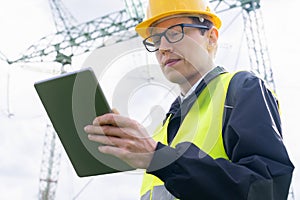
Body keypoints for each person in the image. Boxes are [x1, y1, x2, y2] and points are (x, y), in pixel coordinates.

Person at [84, 0, 294, 199]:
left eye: (175, 33)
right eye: (156, 40)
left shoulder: (241, 89)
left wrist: (159, 158)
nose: (163, 48)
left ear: (211, 38)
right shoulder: (162, 131)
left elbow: (266, 190)